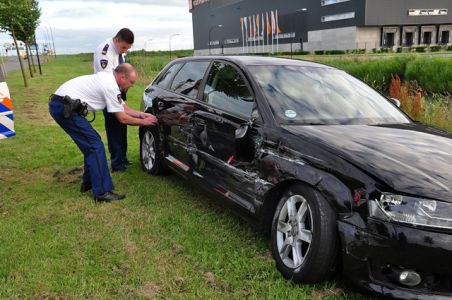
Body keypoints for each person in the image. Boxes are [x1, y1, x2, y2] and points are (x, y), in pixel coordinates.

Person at [49, 63, 157, 202]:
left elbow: (123, 108)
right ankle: (101, 192)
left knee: (92, 145)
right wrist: (145, 122)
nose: (132, 85)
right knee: (95, 146)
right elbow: (122, 118)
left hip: (63, 104)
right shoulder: (110, 85)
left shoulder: (110, 80)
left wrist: (141, 115)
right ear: (122, 77)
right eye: (131, 82)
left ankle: (88, 183)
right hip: (64, 107)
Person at [94, 28, 134, 172]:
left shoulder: (118, 50)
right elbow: (107, 79)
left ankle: (122, 157)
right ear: (117, 40)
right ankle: (117, 163)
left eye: (128, 49)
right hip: (109, 94)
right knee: (114, 128)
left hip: (118, 91)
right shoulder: (104, 52)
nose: (125, 51)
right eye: (124, 47)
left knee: (122, 128)